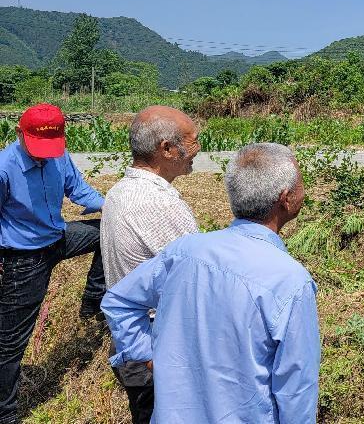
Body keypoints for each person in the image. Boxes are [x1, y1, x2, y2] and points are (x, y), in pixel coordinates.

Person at [103, 143, 320, 423]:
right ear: (286, 198)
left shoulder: (184, 252)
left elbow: (119, 301)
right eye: (301, 184)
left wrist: (148, 355)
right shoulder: (290, 282)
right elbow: (295, 390)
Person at [0, 104, 105, 424]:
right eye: (37, 148)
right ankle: (6, 414)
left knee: (107, 230)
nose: (43, 155)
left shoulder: (59, 156)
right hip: (24, 257)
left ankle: (93, 299)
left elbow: (79, 191)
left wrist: (117, 206)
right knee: (9, 344)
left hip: (57, 238)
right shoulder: (4, 167)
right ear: (19, 133)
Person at [99, 106, 201, 424]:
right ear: (167, 149)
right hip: (157, 351)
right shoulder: (159, 204)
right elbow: (199, 278)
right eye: (192, 140)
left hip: (134, 344)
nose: (198, 148)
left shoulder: (120, 191)